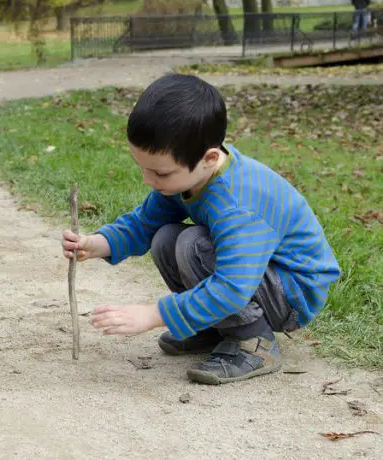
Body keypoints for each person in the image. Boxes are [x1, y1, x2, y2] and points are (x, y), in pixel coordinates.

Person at [61, 74, 340, 385]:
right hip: (257, 278)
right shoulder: (192, 175)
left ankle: (253, 342)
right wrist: (98, 243)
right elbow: (144, 222)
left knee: (192, 245)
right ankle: (214, 328)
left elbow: (233, 287)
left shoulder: (238, 204)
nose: (147, 180)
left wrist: (155, 314)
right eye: (141, 167)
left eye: (160, 172)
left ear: (208, 158)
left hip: (292, 291)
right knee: (165, 237)